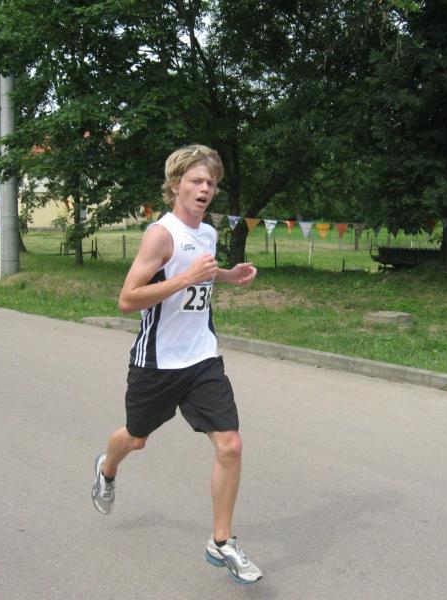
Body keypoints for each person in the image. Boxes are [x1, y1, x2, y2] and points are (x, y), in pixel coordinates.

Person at [91, 144, 262, 584]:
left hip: (202, 357)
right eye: (197, 181)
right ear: (176, 185)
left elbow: (201, 272)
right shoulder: (160, 235)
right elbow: (128, 299)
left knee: (231, 445)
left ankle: (221, 541)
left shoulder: (207, 233)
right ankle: (107, 468)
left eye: (211, 183)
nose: (206, 189)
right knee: (136, 439)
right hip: (157, 363)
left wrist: (227, 275)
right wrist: (185, 278)